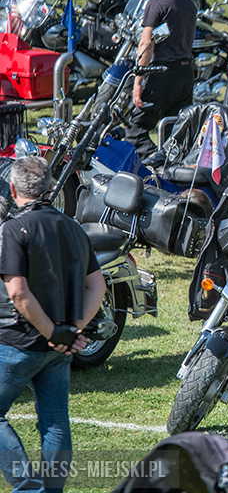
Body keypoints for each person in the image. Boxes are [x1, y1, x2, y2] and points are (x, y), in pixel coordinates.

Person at [0, 157, 106, 492]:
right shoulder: (73, 226)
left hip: (18, 342)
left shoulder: (13, 229)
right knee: (55, 421)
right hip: (58, 348)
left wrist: (53, 332)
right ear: (49, 187)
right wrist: (70, 330)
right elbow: (97, 286)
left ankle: (29, 488)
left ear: (14, 189)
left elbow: (18, 291)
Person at [126, 0, 197, 160]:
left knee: (136, 134)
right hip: (186, 73)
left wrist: (138, 82)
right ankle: (172, 169)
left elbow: (145, 45)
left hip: (162, 74)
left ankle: (156, 165)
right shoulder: (189, 3)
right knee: (176, 133)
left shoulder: (156, 4)